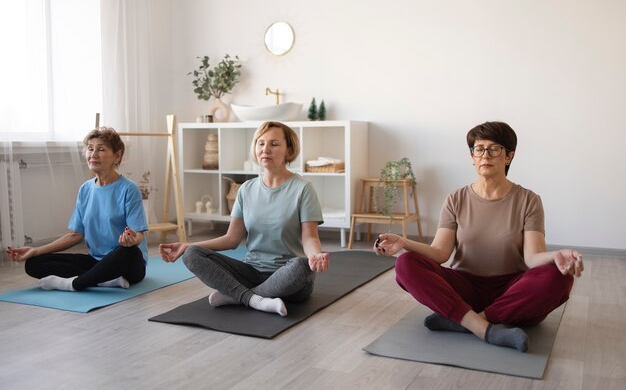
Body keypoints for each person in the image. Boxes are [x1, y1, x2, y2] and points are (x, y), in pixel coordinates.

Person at [375, 121, 583, 352]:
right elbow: (440, 253)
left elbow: (533, 258)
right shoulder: (456, 199)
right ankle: (486, 328)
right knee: (406, 264)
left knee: (561, 277)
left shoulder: (528, 200)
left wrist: (557, 255)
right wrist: (404, 242)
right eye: (479, 148)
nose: (485, 155)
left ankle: (464, 321)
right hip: (465, 288)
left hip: (511, 291)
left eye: (494, 149)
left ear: (508, 157)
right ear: (472, 156)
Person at [160, 121, 329, 316]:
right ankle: (256, 299)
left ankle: (237, 296)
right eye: (260, 143)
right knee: (192, 254)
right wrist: (188, 246)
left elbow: (310, 237)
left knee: (302, 266)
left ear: (289, 150)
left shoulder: (303, 189)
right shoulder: (246, 189)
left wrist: (315, 255)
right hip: (251, 273)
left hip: (288, 278)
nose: (265, 149)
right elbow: (232, 239)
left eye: (274, 144)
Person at [5, 127, 148, 291]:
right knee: (34, 263)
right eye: (90, 148)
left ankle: (73, 284)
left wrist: (130, 240)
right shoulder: (85, 189)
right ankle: (104, 279)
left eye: (101, 149)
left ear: (117, 155)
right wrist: (35, 251)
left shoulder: (129, 189)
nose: (93, 154)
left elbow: (138, 235)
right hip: (96, 260)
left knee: (129, 252)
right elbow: (75, 235)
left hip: (127, 264)